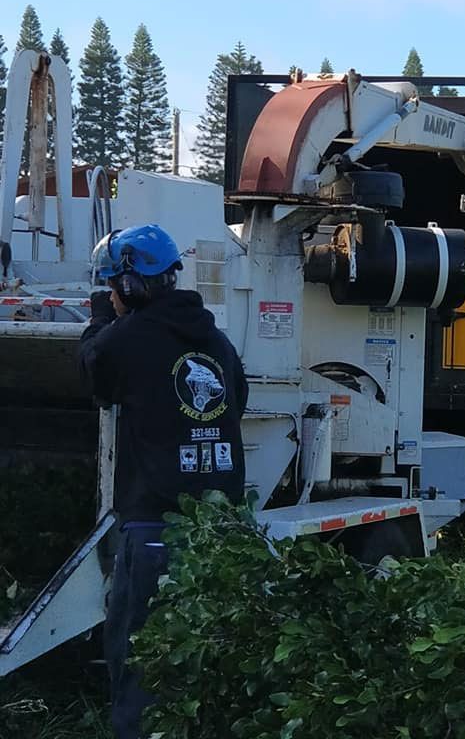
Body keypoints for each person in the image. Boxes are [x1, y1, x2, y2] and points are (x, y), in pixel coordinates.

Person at [80, 224, 247, 739]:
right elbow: (235, 401)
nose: (111, 293)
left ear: (130, 286)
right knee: (203, 656)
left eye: (113, 286)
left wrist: (100, 320)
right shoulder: (216, 340)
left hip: (154, 526)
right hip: (218, 525)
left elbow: (93, 371)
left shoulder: (128, 337)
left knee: (137, 662)